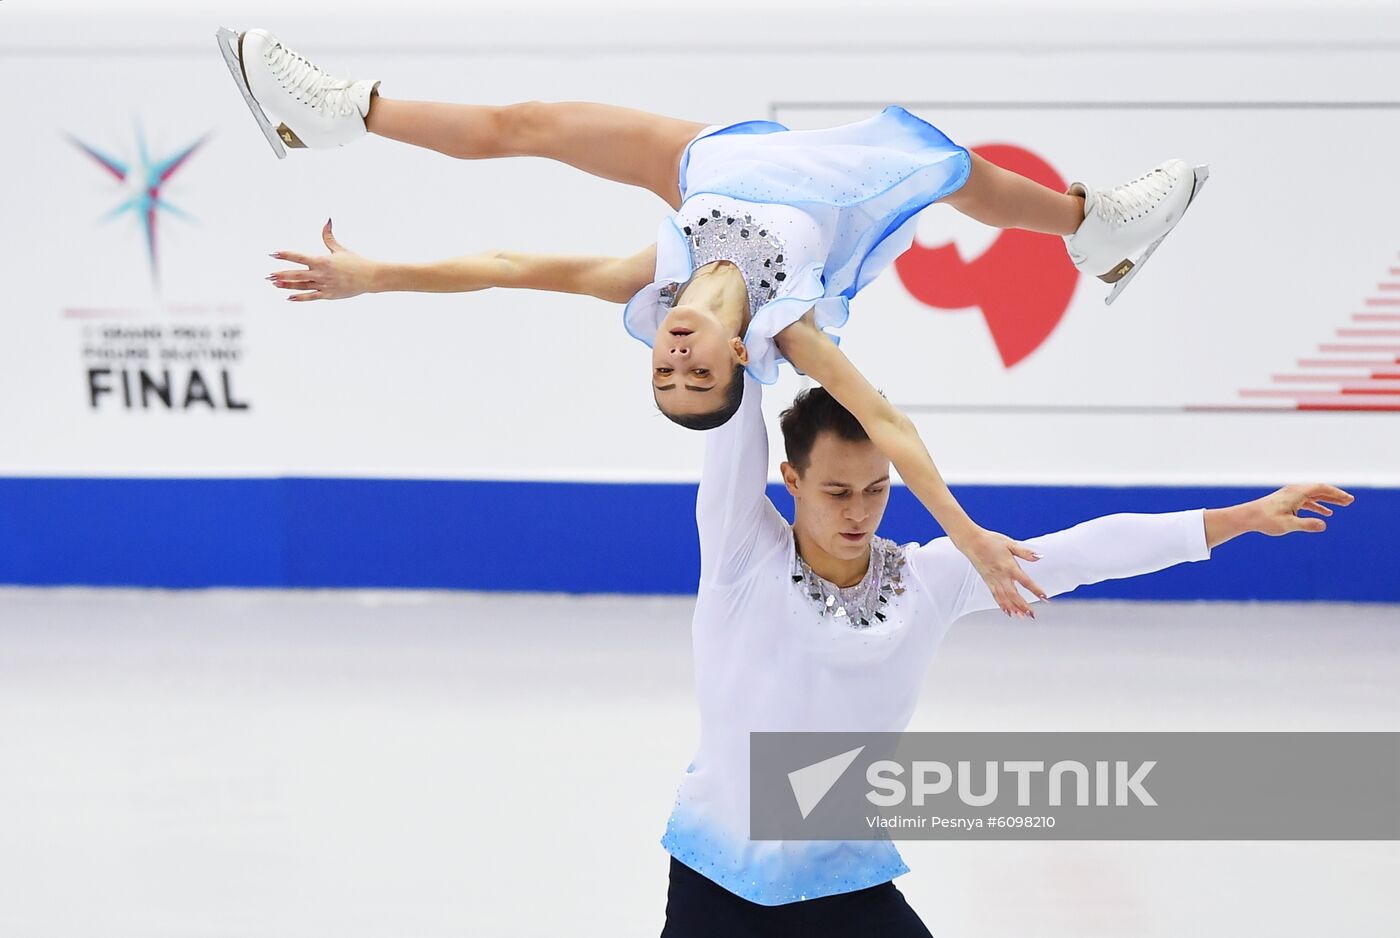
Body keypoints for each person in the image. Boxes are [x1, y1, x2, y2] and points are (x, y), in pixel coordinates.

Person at [217, 25, 1209, 617]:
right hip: (828, 186)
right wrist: (967, 533)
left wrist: (374, 275)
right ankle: (1094, 226)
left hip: (711, 167)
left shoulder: (645, 277)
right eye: (698, 376)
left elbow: (507, 267)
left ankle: (337, 112)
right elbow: (892, 429)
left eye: (662, 372)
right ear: (740, 356)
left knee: (526, 123)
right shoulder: (790, 324)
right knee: (946, 165)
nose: (675, 358)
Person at [657, 375, 1351, 936]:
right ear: (791, 479)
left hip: (839, 875)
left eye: (876, 489)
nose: (858, 513)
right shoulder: (742, 555)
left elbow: (1084, 553)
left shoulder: (925, 581)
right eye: (837, 491)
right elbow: (727, 406)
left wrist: (1242, 519)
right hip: (718, 880)